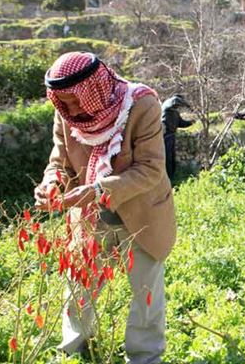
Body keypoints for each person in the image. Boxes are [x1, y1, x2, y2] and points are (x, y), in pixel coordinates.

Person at [34, 51, 176, 363]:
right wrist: (52, 185)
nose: (71, 110)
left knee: (145, 295)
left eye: (75, 101)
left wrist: (98, 189)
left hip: (142, 216)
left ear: (94, 89)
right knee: (78, 289)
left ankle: (144, 357)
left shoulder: (141, 106)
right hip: (89, 219)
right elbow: (59, 161)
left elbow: (151, 170)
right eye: (63, 103)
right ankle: (74, 351)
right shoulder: (66, 114)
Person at [161, 94, 194, 180]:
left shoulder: (175, 112)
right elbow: (175, 100)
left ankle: (172, 176)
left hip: (171, 136)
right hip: (165, 136)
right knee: (167, 157)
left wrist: (191, 122)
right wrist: (188, 106)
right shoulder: (166, 106)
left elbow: (181, 123)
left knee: (171, 158)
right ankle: (167, 177)